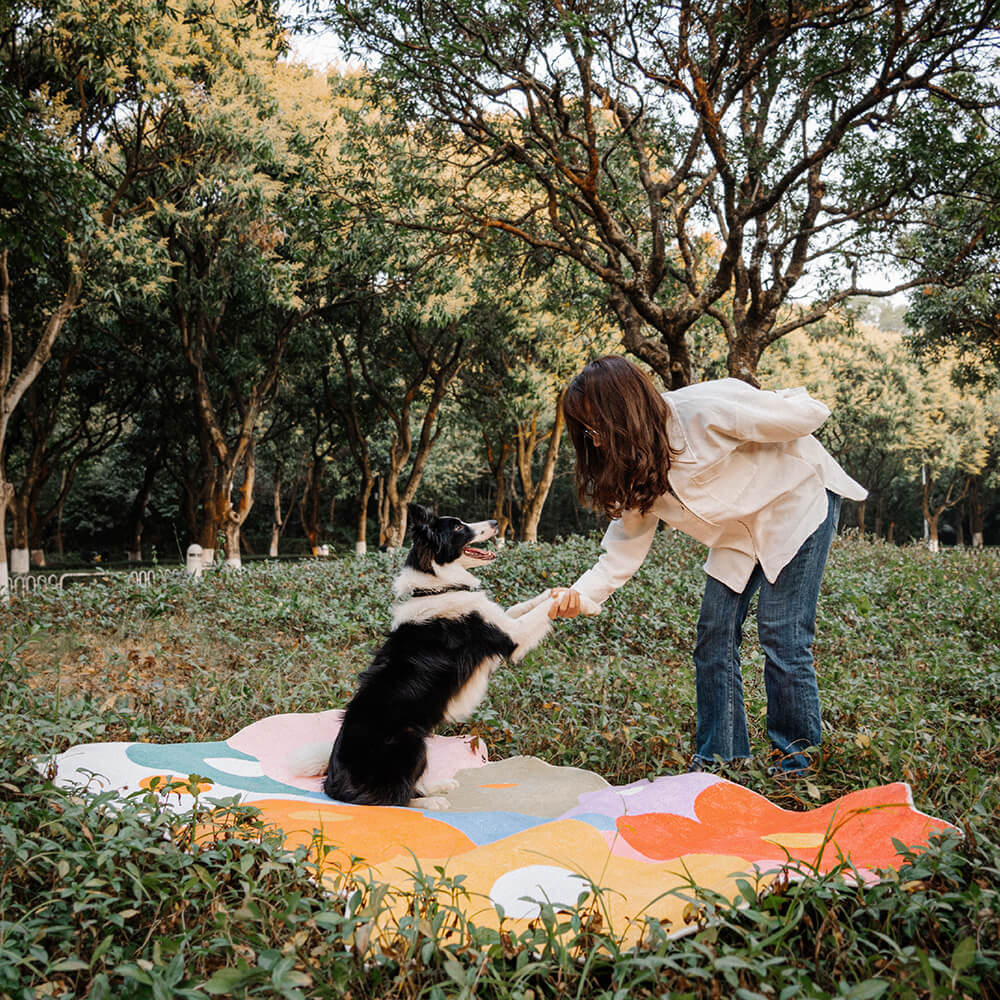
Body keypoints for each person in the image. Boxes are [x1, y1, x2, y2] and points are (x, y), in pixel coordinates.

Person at [547, 355, 867, 777]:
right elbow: (624, 544)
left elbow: (804, 415)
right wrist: (581, 594)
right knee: (713, 635)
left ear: (625, 412)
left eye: (599, 427)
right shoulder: (633, 466)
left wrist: (784, 406)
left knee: (782, 633)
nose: (596, 441)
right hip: (739, 535)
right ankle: (722, 757)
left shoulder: (704, 410)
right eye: (587, 432)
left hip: (796, 504)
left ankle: (797, 763)